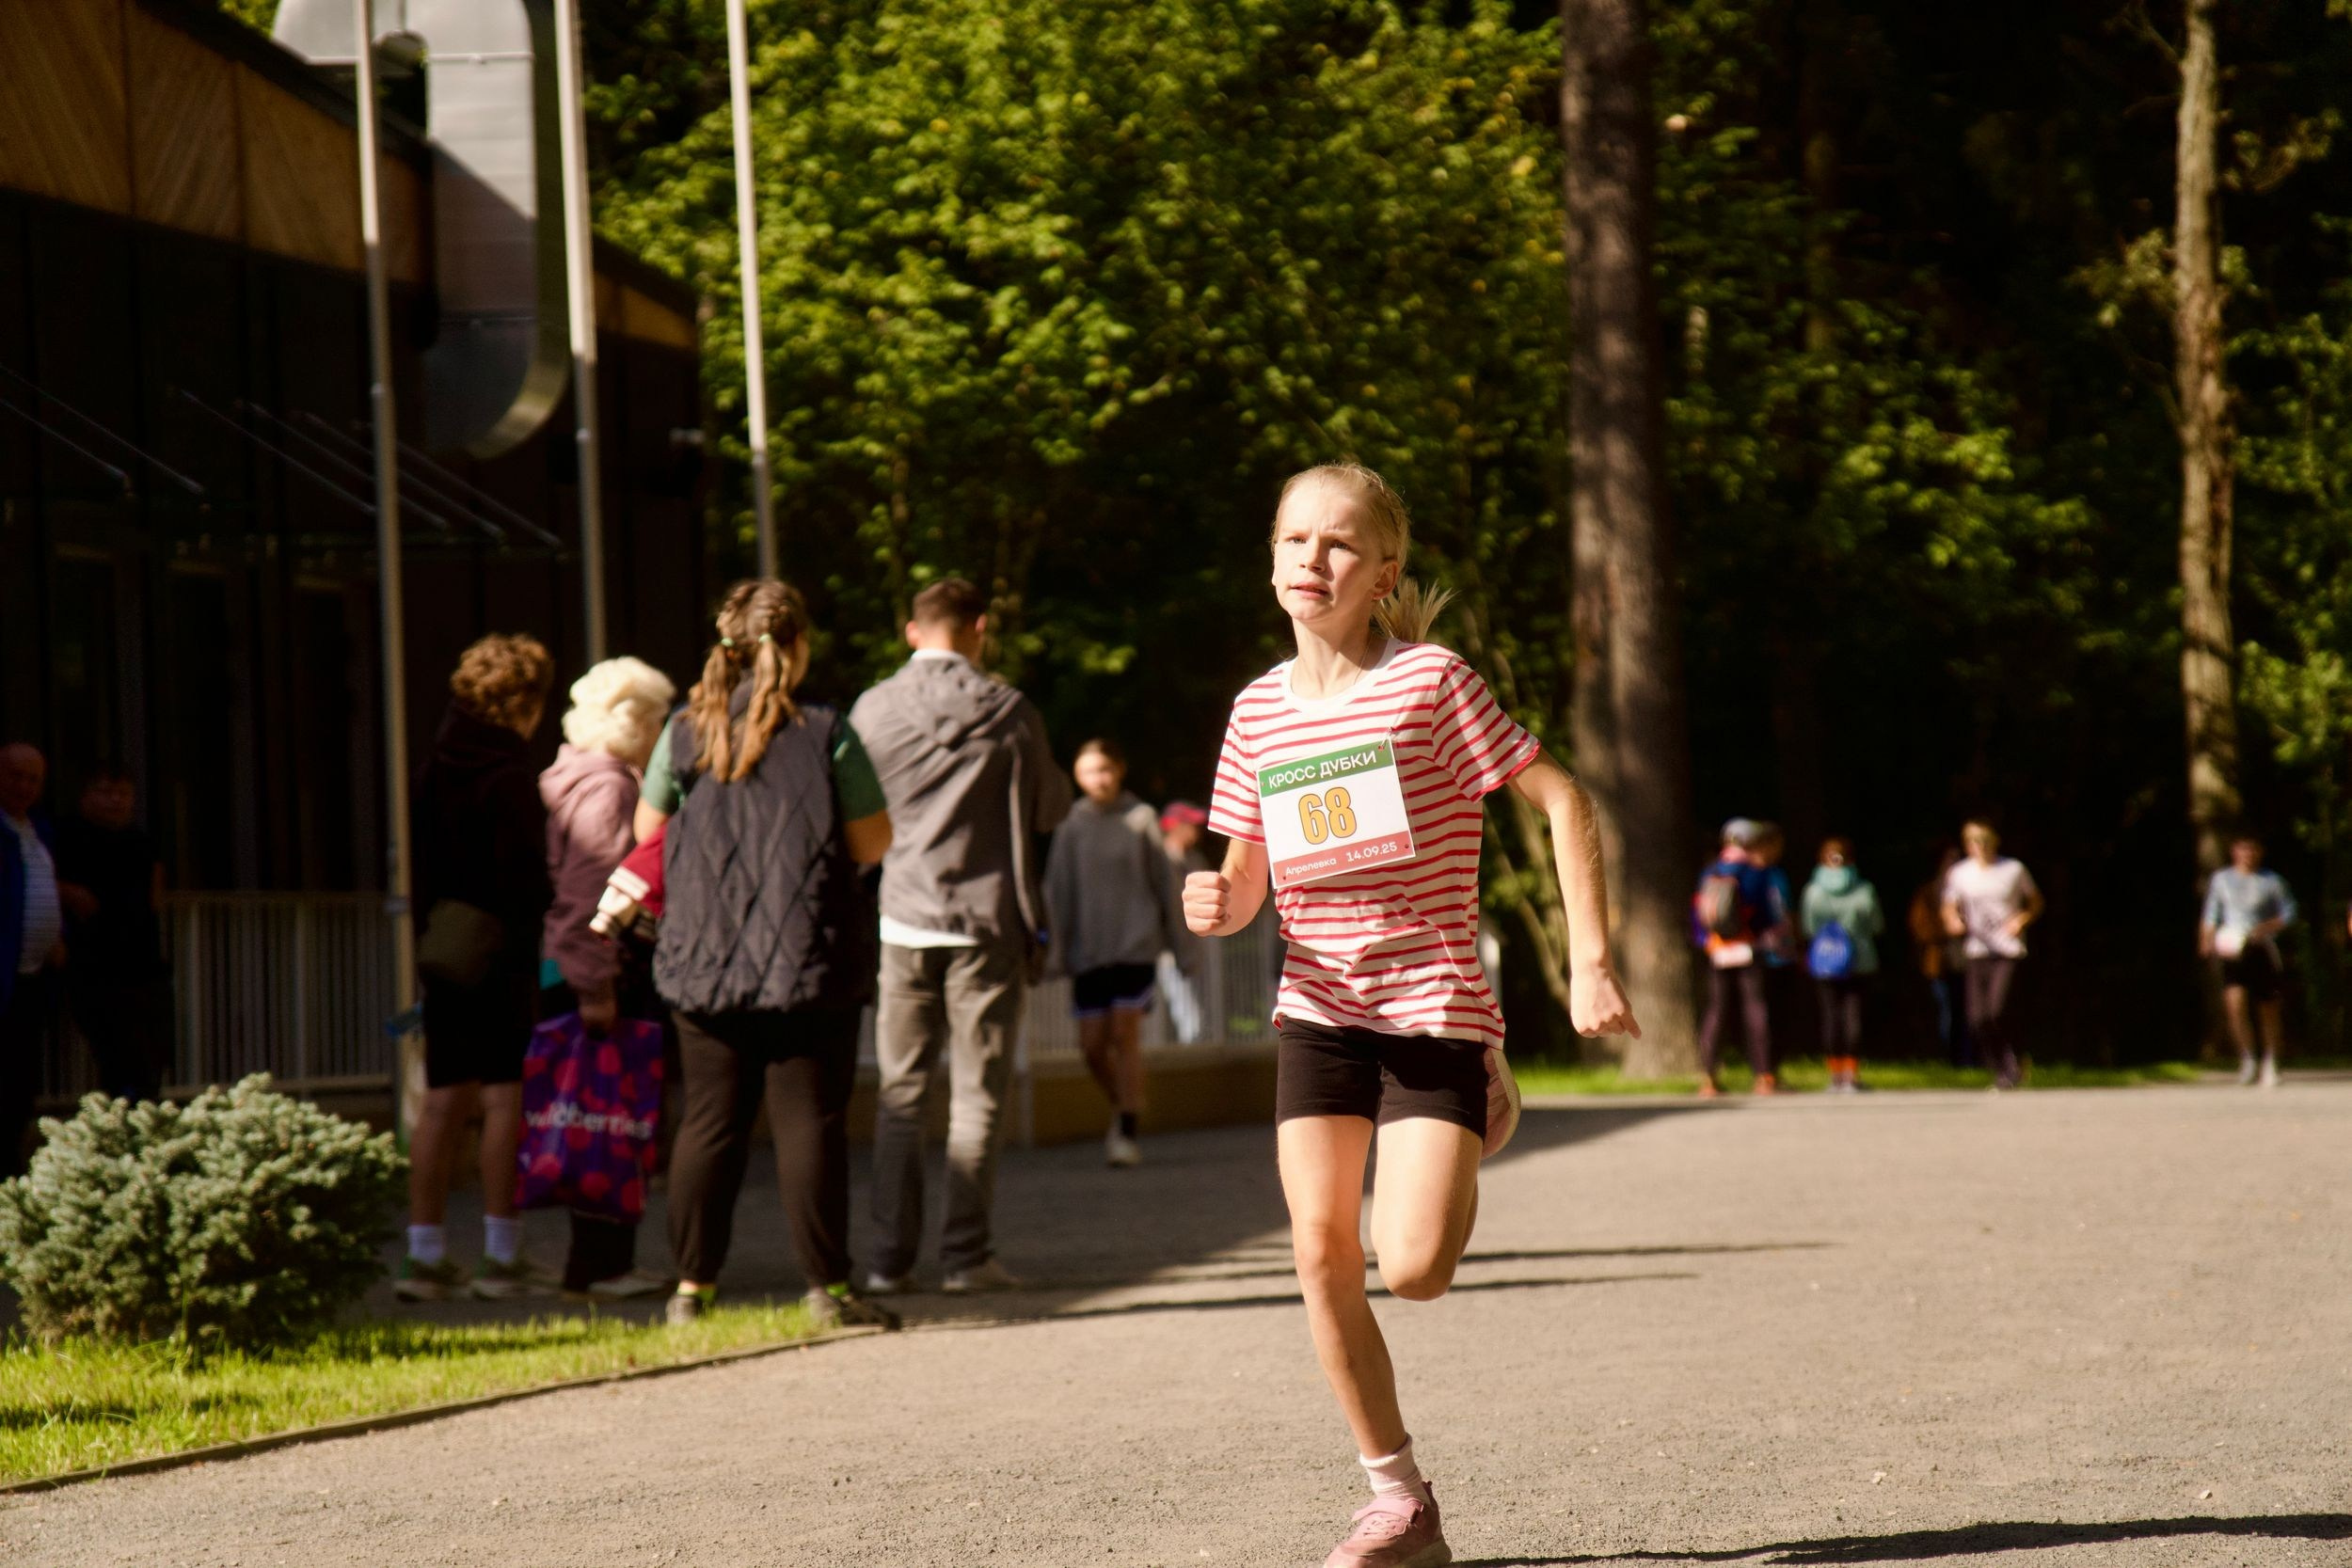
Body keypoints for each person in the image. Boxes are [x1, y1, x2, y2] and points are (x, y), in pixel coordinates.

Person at [1184, 463, 1638, 1568]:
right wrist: (1216, 899)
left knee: (1416, 1266)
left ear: (1383, 572)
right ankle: (1397, 1498)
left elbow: (1561, 796)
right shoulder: (1255, 709)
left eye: (1338, 545)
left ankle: (1489, 1084)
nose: (1312, 560)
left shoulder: (1430, 680)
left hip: (1432, 1004)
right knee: (1317, 1249)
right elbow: (1246, 877)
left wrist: (1589, 964)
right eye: (1294, 539)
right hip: (1319, 1007)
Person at [638, 581, 899, 1332]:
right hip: (807, 956)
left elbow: (645, 826)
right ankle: (827, 1290)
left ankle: (691, 1290)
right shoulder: (825, 731)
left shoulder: (685, 730)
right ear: (798, 646)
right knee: (809, 1122)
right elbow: (870, 841)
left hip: (702, 956)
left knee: (708, 1122)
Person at [850, 578, 1069, 1296]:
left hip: (903, 916)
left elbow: (852, 812)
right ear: (980, 628)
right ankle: (966, 1257)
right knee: (978, 1096)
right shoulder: (1009, 710)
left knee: (901, 1095)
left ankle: (886, 1262)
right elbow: (1048, 808)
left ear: (914, 632)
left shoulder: (873, 708)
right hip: (986, 921)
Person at [400, 635, 557, 1302]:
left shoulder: (436, 763)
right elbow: (525, 877)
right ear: (520, 702)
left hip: (444, 945)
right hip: (502, 950)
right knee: (502, 1098)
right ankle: (502, 1252)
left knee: (441, 1100)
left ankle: (424, 1252)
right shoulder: (511, 774)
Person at [539, 656, 677, 1299]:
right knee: (608, 1116)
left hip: (568, 969)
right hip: (597, 974)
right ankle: (601, 1264)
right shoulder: (612, 788)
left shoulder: (565, 775)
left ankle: (600, 1260)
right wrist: (597, 986)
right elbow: (588, 891)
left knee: (592, 1114)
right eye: (656, 720)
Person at [1043, 739, 1195, 1165]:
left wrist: (1182, 949)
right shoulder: (1070, 824)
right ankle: (1123, 1105)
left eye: (1106, 768)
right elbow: (1058, 893)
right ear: (1077, 777)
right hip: (1088, 952)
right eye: (1090, 771)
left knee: (1123, 1032)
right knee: (1091, 1046)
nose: (1100, 779)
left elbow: (1166, 886)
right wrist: (1054, 952)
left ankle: (1126, 1132)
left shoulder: (1142, 818)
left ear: (1120, 769)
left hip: (1135, 946)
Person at [53, 763, 167, 1104]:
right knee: (117, 1054)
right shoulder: (65, 836)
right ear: (86, 795)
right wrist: (67, 892)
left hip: (143, 964)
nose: (115, 801)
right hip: (93, 965)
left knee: (151, 1055)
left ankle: (142, 1119)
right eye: (106, 792)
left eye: (123, 793)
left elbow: (155, 897)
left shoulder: (141, 842)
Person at [0, 742, 64, 1179]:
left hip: (31, 981)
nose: (24, 786)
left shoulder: (37, 830)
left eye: (33, 778)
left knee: (21, 1087)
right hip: (3, 982)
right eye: (14, 775)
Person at [1941, 819, 2042, 1090]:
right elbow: (1949, 906)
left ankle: (2014, 1061)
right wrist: (1953, 920)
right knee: (1977, 1018)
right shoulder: (1960, 873)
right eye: (1974, 842)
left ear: (1994, 842)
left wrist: (2021, 919)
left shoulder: (2012, 870)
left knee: (1998, 1009)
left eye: (1985, 841)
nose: (1980, 847)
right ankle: (2001, 1068)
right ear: (1967, 845)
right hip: (1977, 949)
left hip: (2008, 948)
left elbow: (2035, 901)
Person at [1691, 819, 1780, 1097]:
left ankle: (1709, 1077)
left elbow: (1697, 915)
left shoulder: (1709, 872)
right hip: (1747, 948)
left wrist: (1706, 941)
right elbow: (1766, 915)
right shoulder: (1756, 873)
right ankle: (1764, 1077)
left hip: (1717, 949)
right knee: (1756, 1009)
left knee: (1716, 1012)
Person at [2200, 833, 2296, 1088]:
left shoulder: (2272, 881)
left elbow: (2289, 913)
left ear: (2260, 852)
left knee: (2268, 1008)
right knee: (2235, 1005)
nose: (2248, 855)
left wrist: (2267, 927)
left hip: (2261, 948)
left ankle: (2271, 1060)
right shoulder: (2222, 880)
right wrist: (2206, 940)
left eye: (2252, 850)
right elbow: (2211, 913)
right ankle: (2247, 1059)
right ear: (2234, 851)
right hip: (2232, 949)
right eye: (2243, 849)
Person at [1801, 836, 1883, 1093]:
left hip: (1825, 961)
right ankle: (1851, 1074)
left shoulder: (1813, 891)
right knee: (1853, 1017)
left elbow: (1808, 928)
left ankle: (1834, 1074)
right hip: (1860, 961)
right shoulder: (1864, 890)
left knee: (1830, 1017)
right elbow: (1877, 925)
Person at [1158, 800, 1216, 1044]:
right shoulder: (1157, 859)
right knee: (1177, 1011)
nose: (1196, 830)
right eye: (1190, 825)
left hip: (1192, 945)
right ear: (1176, 827)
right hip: (1163, 949)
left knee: (1193, 1007)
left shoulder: (1194, 860)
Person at [1909, 847, 1971, 1068]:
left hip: (1970, 960)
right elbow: (1920, 927)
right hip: (1940, 963)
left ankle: (1969, 1058)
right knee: (1947, 1012)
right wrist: (1948, 929)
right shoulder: (1928, 893)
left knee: (1971, 1012)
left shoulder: (1970, 890)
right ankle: (1950, 1057)